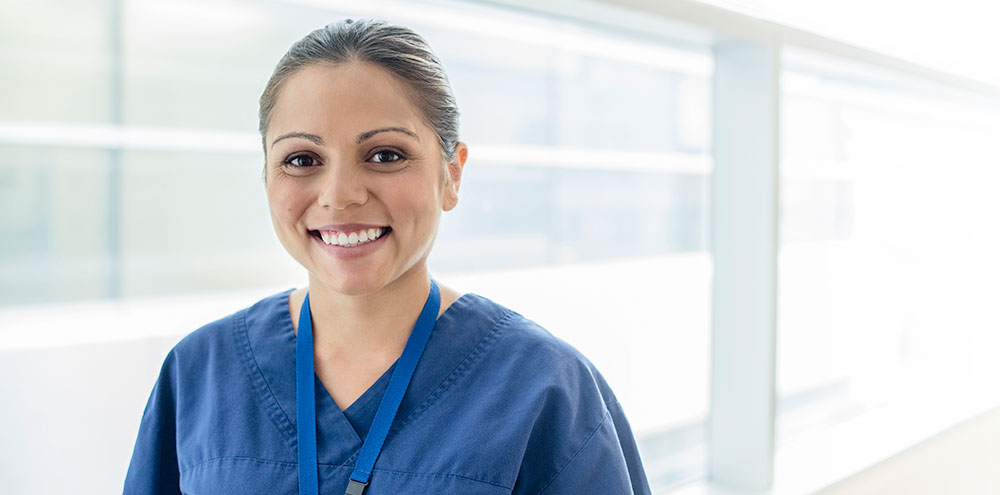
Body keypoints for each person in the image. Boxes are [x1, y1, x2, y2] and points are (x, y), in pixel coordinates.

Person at [124, 18, 651, 495]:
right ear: (266, 175)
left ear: (452, 173)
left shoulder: (546, 391)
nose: (340, 194)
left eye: (385, 155)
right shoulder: (198, 374)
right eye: (302, 159)